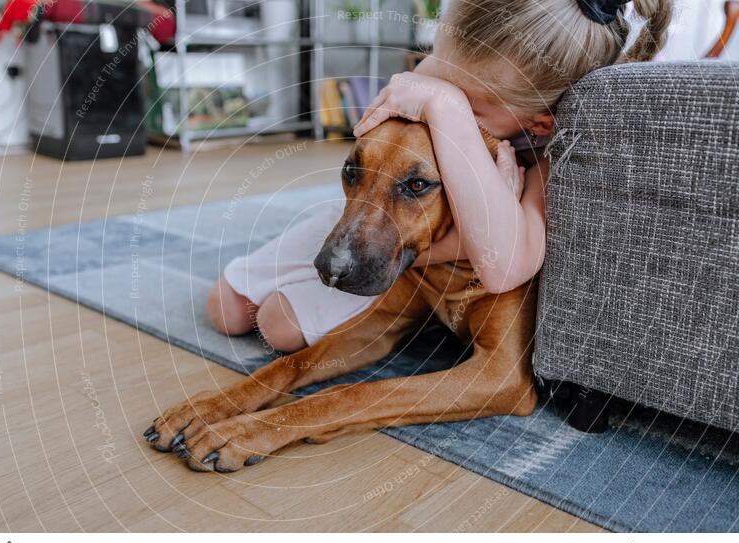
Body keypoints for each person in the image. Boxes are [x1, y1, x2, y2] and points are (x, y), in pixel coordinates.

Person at [207, 0, 672, 353]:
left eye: (464, 105)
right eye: (437, 75)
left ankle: (403, 314)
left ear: (539, 123)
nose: (434, 96)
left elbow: (503, 263)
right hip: (375, 214)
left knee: (277, 327)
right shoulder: (455, 73)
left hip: (417, 254)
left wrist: (443, 106)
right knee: (225, 312)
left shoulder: (552, 162)